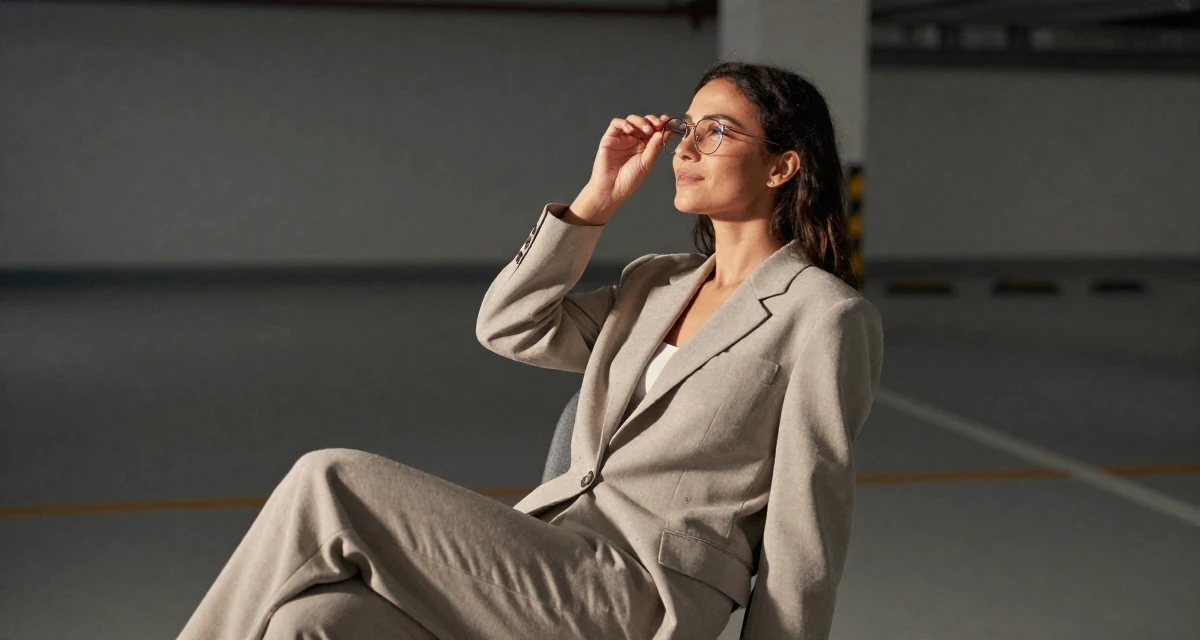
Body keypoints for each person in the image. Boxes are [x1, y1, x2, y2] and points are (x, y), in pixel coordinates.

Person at [176, 60, 884, 640]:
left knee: (325, 480)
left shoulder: (823, 316)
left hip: (635, 598)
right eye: (688, 126)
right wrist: (593, 204)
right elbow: (510, 325)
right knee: (315, 620)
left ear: (782, 167)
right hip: (552, 560)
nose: (687, 146)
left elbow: (804, 536)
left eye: (718, 130)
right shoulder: (654, 283)